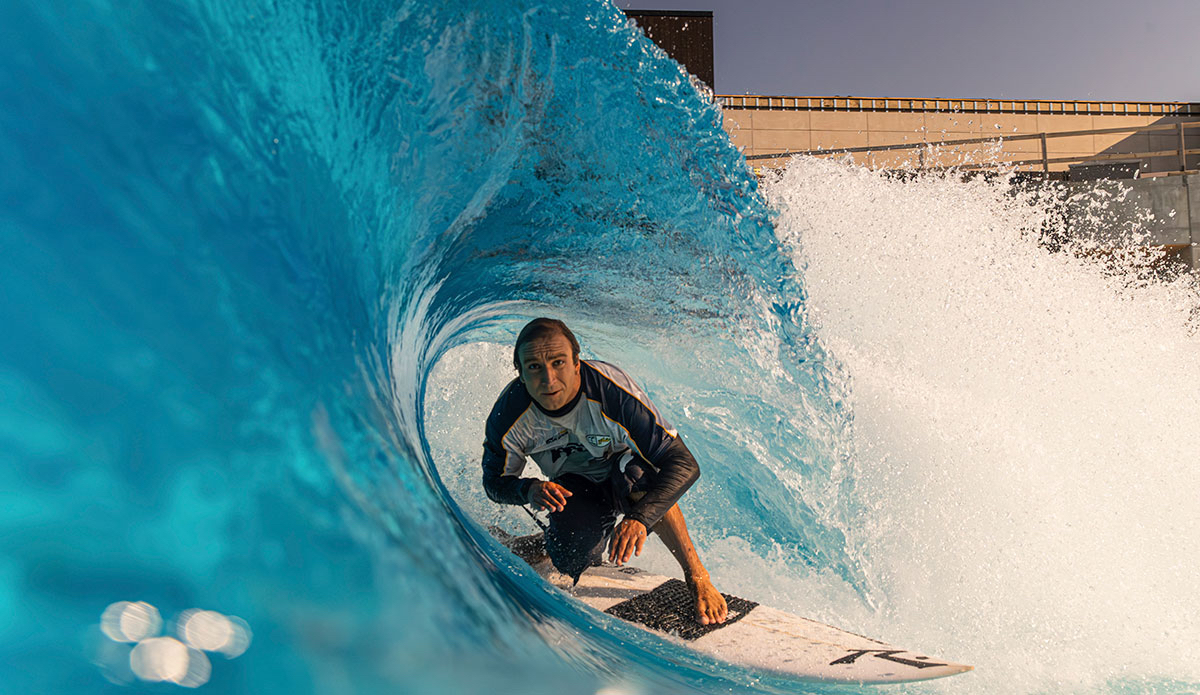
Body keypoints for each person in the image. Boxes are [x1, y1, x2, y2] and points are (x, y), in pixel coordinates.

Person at [481, 318, 728, 625]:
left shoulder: (612, 394)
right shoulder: (509, 415)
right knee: (573, 559)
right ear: (519, 373)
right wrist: (528, 489)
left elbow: (683, 464)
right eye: (534, 367)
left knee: (640, 477)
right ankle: (542, 543)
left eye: (558, 362)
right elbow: (493, 483)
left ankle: (697, 576)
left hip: (626, 472)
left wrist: (640, 519)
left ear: (576, 363)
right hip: (576, 485)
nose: (548, 379)